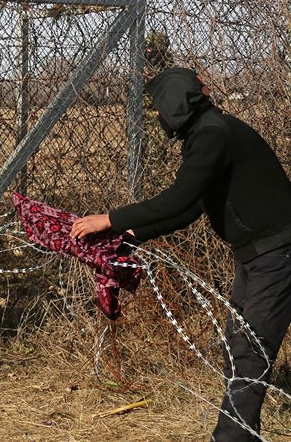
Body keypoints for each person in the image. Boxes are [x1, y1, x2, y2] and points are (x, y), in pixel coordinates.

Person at [70, 67, 291, 441]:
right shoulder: (205, 134)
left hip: (277, 252)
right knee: (241, 347)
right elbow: (192, 208)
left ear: (175, 104)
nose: (156, 115)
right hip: (258, 253)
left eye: (158, 107)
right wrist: (132, 235)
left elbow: (179, 197)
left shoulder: (213, 135)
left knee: (250, 349)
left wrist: (110, 219)